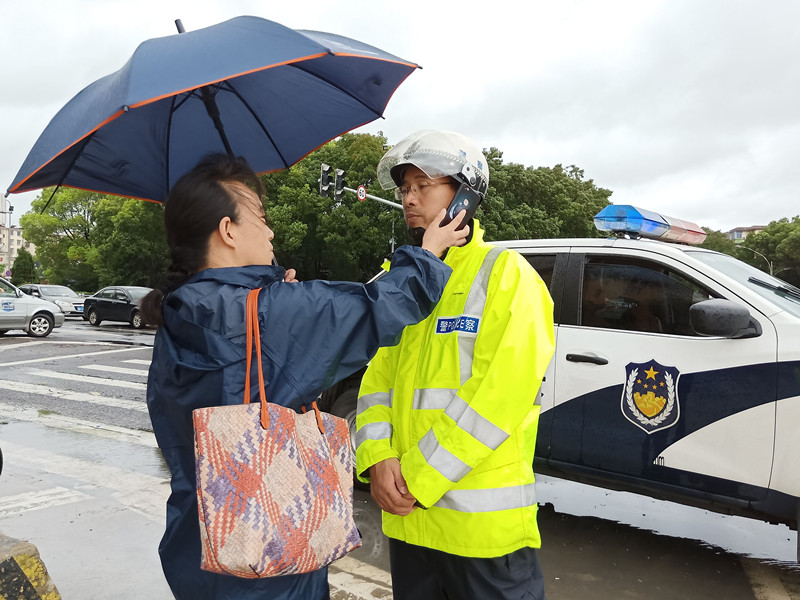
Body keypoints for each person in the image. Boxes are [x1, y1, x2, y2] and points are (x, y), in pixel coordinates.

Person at [142, 153, 469, 600]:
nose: (270, 229)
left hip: (197, 545)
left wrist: (277, 306)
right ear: (227, 230)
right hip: (270, 559)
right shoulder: (270, 313)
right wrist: (428, 252)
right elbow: (381, 306)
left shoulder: (177, 312)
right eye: (259, 216)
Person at [355, 130, 556, 600]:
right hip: (410, 527)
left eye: (423, 185)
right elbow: (375, 379)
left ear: (464, 192)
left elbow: (498, 398)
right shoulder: (400, 281)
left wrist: (417, 479)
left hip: (479, 533)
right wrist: (377, 460)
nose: (409, 198)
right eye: (405, 188)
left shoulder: (506, 274)